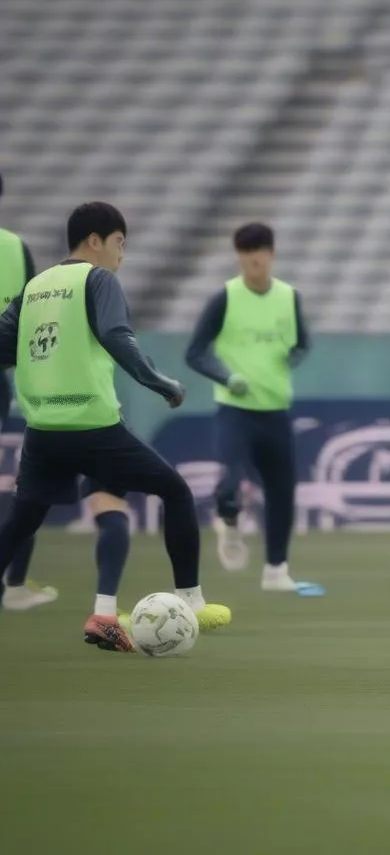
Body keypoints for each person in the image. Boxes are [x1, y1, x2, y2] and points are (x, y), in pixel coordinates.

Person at [0, 202, 231, 650]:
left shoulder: (34, 288)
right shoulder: (98, 278)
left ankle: (104, 615)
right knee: (176, 491)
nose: (121, 256)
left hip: (44, 431)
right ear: (95, 241)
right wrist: (157, 380)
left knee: (23, 519)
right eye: (119, 243)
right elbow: (115, 334)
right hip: (93, 426)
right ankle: (193, 601)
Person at [185, 222, 315, 593]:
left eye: (259, 252)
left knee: (282, 490)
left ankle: (276, 571)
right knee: (230, 480)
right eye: (246, 253)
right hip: (235, 410)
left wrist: (292, 357)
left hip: (275, 410)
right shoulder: (224, 299)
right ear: (239, 257)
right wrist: (227, 378)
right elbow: (194, 352)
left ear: (271, 255)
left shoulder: (289, 298)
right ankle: (228, 523)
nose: (254, 260)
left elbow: (303, 342)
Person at [0, 174, 59, 609]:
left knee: (31, 484)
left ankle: (16, 585)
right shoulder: (15, 249)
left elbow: (31, 321)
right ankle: (15, 586)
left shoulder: (15, 249)